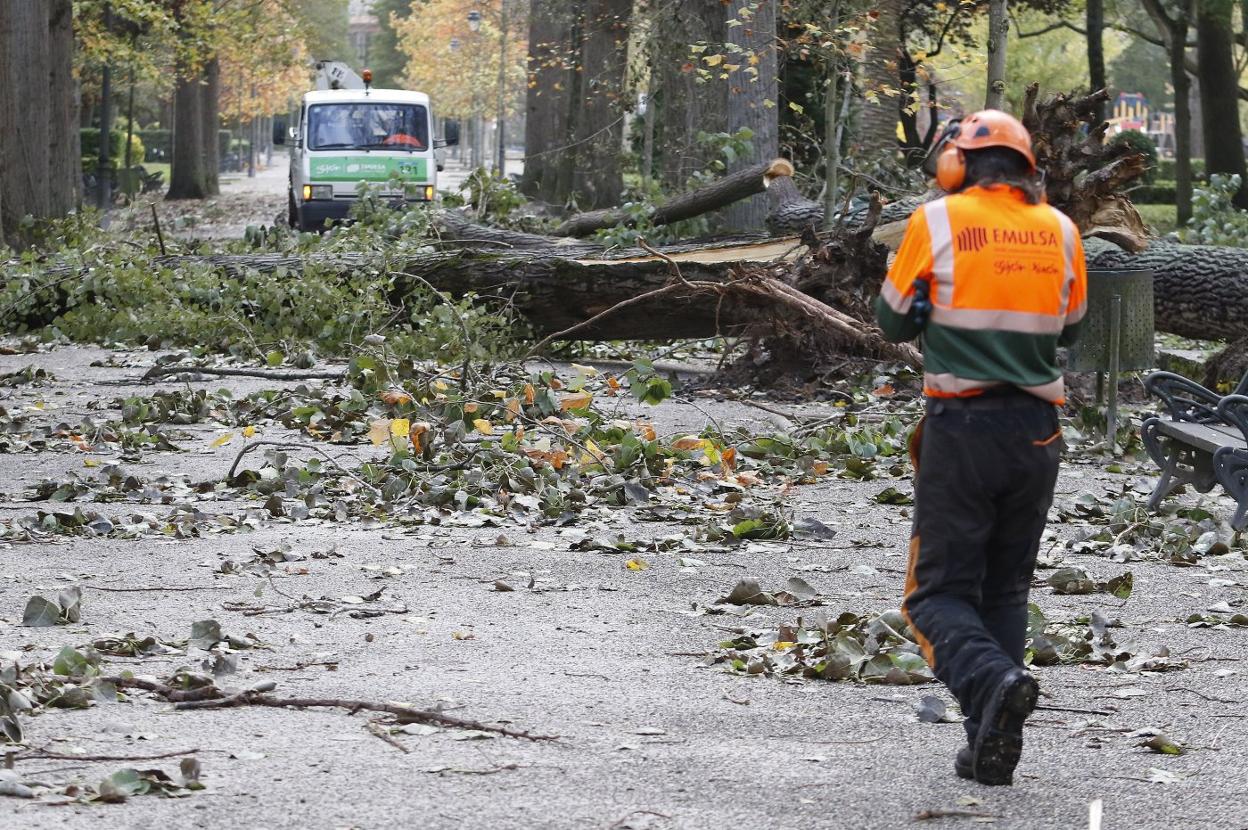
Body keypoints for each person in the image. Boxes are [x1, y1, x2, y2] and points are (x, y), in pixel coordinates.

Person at [874, 110, 1088, 786]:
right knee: (1005, 587)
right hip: (1037, 432)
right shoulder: (1061, 229)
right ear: (1026, 168)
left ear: (957, 164)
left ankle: (995, 680)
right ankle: (988, 744)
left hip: (963, 425)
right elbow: (1073, 325)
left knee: (933, 597)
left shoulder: (936, 221)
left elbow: (890, 318)